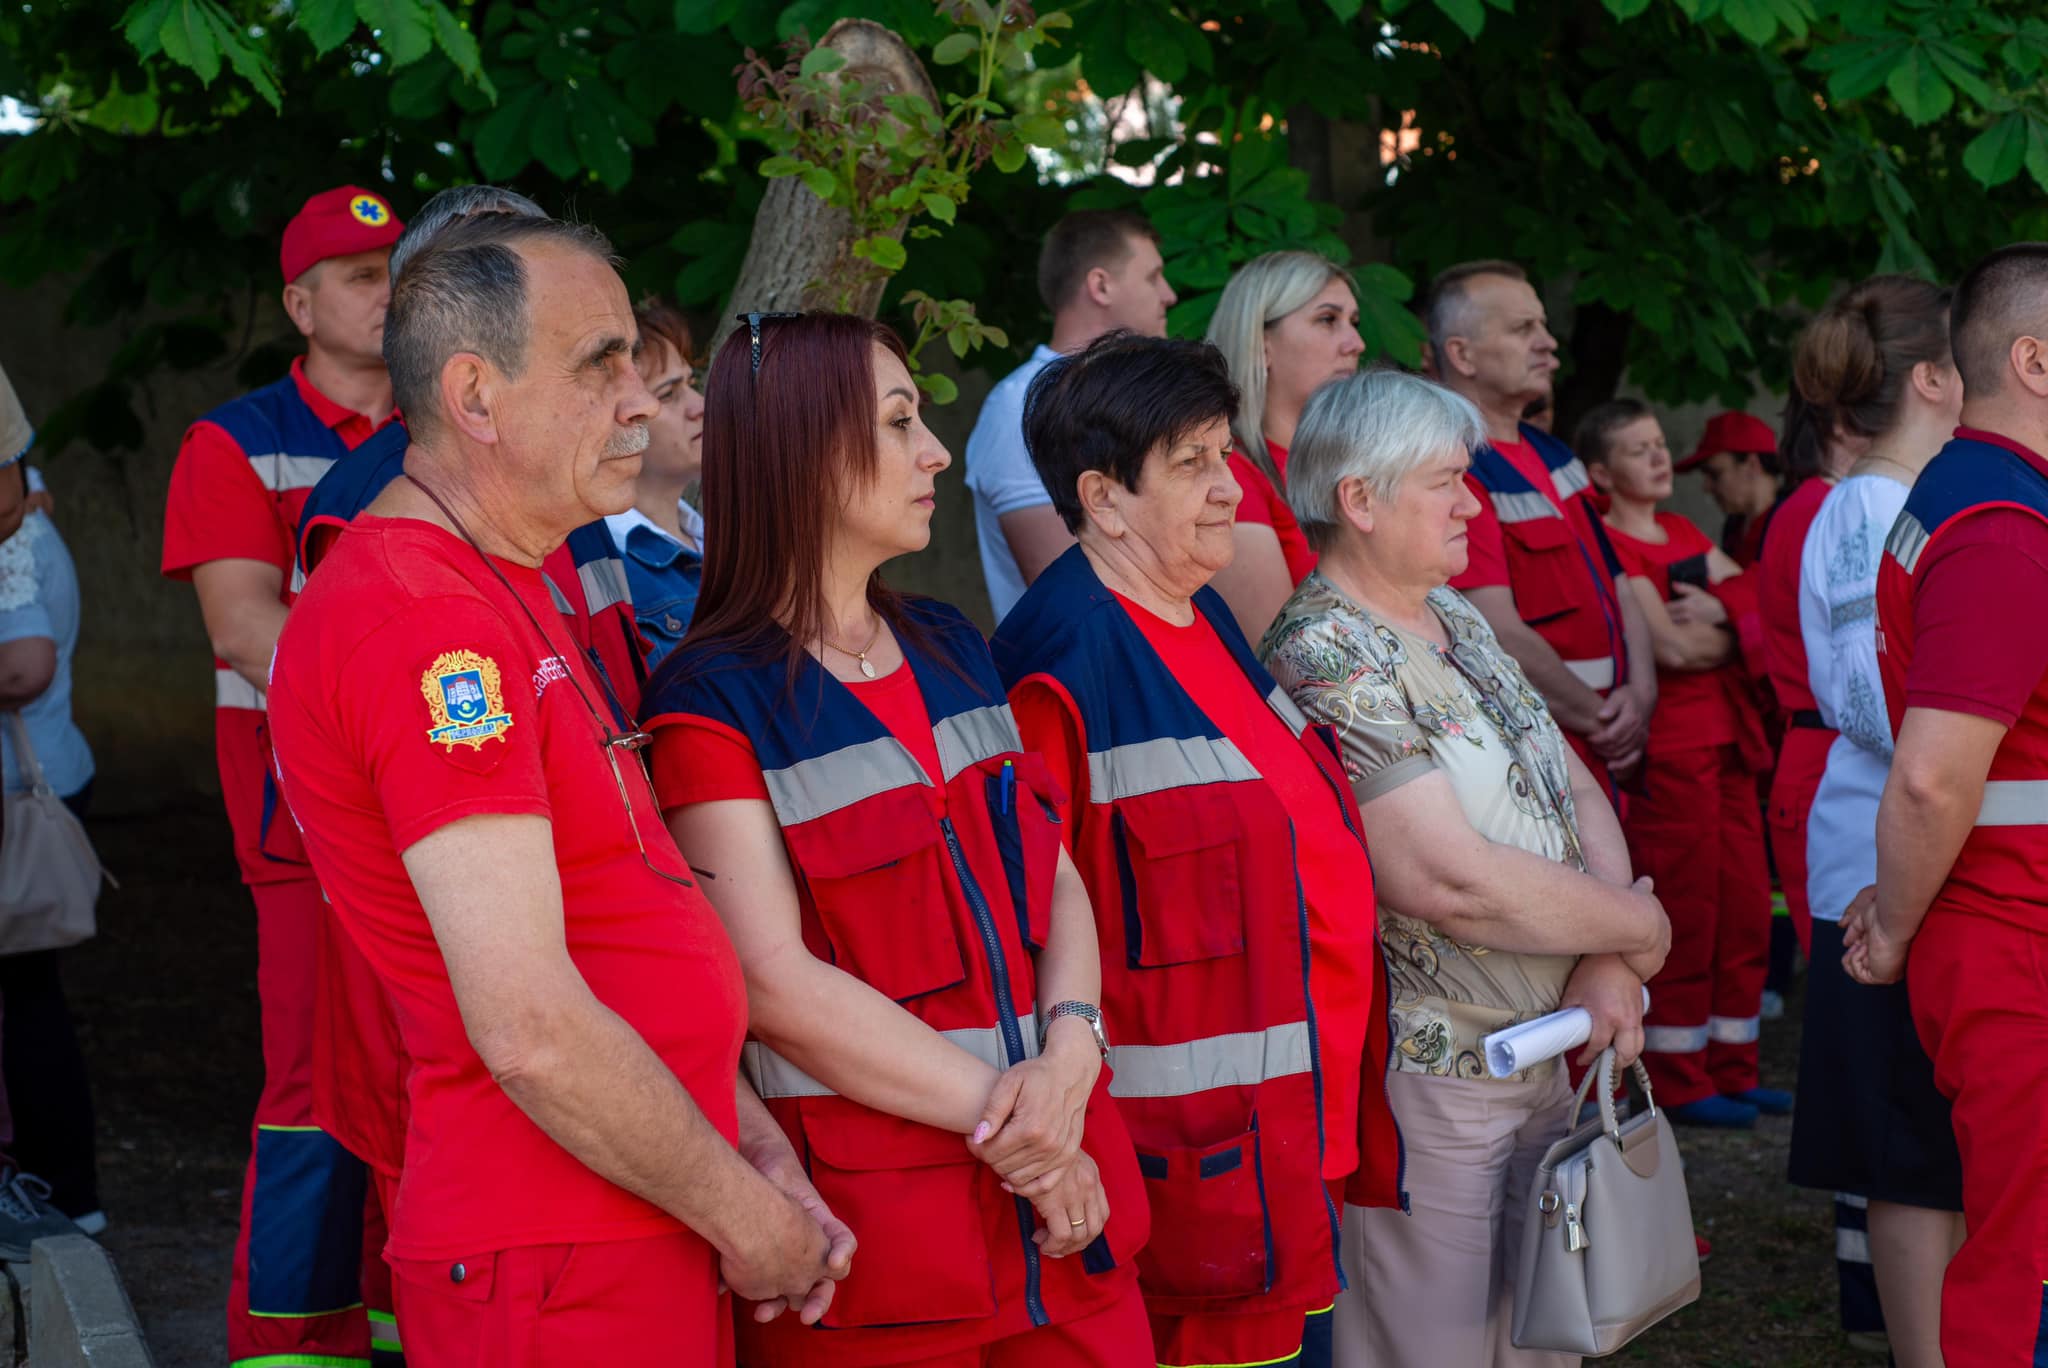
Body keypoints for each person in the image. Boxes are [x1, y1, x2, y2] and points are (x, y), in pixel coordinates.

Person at [267, 212, 847, 1365]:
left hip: (619, 1213)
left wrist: (749, 1147)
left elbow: (615, 913)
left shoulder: (495, 576)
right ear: (476, 398)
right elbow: (529, 1026)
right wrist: (751, 1223)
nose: (641, 398)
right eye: (601, 364)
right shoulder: (428, 622)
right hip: (553, 1250)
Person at [644, 311, 1150, 1366]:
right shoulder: (709, 700)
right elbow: (770, 983)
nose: (937, 451)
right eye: (898, 421)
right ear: (799, 449)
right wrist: (1021, 1130)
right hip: (886, 1257)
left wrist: (1068, 1052)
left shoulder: (950, 643)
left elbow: (1051, 877)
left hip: (1065, 1218)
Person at [991, 332, 1404, 1368]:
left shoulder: (1199, 612)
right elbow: (1038, 934)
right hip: (1193, 1187)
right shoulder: (1061, 665)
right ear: (1102, 495)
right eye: (1192, 465)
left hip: (1290, 1141)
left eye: (1225, 456)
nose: (1230, 490)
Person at [1261, 369, 1668, 1366]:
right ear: (1357, 499)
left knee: (1539, 1339)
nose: (1469, 502)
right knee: (1433, 1348)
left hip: (1543, 1052)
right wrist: (1634, 928)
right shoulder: (1324, 651)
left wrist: (1610, 953)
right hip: (1432, 1080)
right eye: (1444, 481)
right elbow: (1443, 878)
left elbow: (1570, 786)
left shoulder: (1456, 618)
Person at [160, 183, 403, 1368]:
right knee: (313, 1089)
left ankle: (409, 1314)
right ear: (299, 303)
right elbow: (246, 628)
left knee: (422, 1072)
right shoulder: (232, 438)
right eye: (360, 276)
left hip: (427, 814)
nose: (388, 291)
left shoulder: (442, 428)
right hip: (298, 826)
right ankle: (292, 1341)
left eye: (398, 268)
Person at [1849, 245, 2048, 1368]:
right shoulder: (2002, 530)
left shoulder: (1983, 497)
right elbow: (1931, 775)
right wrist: (1892, 922)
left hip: (2006, 928)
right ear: (2031, 361)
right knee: (2023, 1266)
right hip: (2013, 935)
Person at [1782, 275, 1965, 1368]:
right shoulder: (1863, 503)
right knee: (1907, 1148)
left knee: (1942, 1139)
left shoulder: (1922, 492)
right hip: (1879, 858)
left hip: (1933, 847)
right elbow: (1864, 691)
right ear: (1935, 379)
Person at [1576, 400, 1781, 1125]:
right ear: (1602, 473)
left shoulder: (1687, 530)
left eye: (1661, 443)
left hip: (1729, 745)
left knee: (1746, 907)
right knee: (1689, 911)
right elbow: (1669, 648)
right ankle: (1681, 1079)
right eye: (1640, 449)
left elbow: (1758, 595)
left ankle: (1735, 1065)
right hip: (1673, 751)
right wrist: (1735, 619)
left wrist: (1725, 615)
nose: (1661, 458)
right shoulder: (1607, 542)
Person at [1424, 260, 1655, 804]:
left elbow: (1619, 581)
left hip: (1608, 739)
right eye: (1522, 328)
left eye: (1543, 325)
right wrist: (1605, 719)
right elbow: (1492, 627)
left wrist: (1643, 693)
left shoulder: (1553, 453)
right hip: (1545, 752)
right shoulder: (1456, 467)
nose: (1549, 344)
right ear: (1461, 355)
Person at [966, 209, 1176, 622]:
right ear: (1100, 285)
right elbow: (1075, 596)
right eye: (1152, 277)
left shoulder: (1143, 401)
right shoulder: (1019, 407)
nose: (1168, 294)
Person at [0, 434, 101, 1236]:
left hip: (18, 798)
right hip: (37, 785)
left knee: (27, 1001)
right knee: (31, 1000)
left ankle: (54, 1190)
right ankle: (66, 1189)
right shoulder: (26, 519)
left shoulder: (17, 542)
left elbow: (23, 667)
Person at [1203, 251, 1366, 640]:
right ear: (1261, 343)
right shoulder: (1228, 474)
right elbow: (1281, 653)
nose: (1356, 343)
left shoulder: (1360, 464)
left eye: (1353, 322)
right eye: (1328, 320)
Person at [604, 296, 707, 667]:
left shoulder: (729, 540)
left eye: (691, 384)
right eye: (668, 393)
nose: (700, 405)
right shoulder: (605, 569)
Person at [1680, 411, 1783, 565]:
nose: (1706, 487)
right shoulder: (1735, 524)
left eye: (1715, 474)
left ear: (1752, 465)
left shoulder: (1792, 520)